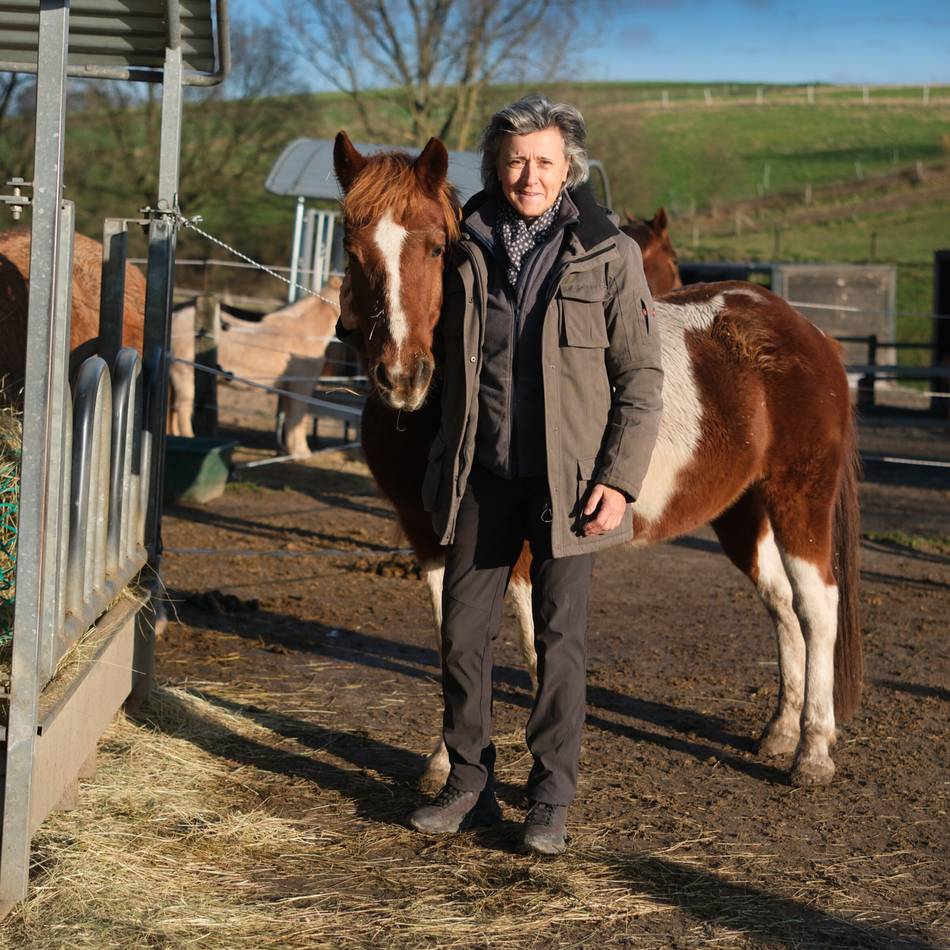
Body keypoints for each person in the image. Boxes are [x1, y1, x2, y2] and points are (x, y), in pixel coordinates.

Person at [341, 94, 663, 855]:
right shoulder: (466, 243)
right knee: (463, 637)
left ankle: (548, 799)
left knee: (559, 646)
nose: (528, 174)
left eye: (544, 161)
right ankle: (468, 782)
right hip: (482, 476)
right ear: (495, 166)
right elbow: (397, 289)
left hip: (569, 483)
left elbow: (642, 380)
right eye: (515, 159)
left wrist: (618, 479)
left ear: (567, 169)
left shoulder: (609, 253)